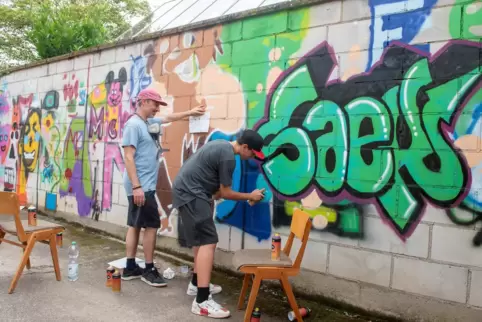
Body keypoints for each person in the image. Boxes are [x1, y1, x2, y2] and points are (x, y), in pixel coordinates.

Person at [172, 129, 266, 318]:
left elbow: (215, 190)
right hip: (191, 194)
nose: (252, 158)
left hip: (189, 192)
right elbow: (226, 193)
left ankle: (196, 285)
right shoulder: (228, 157)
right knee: (209, 241)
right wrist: (250, 196)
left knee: (202, 240)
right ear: (245, 147)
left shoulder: (222, 146)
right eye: (253, 153)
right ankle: (201, 301)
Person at [121, 88, 206, 287]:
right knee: (151, 226)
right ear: (143, 101)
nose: (157, 109)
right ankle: (148, 269)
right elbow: (128, 156)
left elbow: (169, 117)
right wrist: (137, 187)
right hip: (141, 185)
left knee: (134, 225)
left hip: (140, 185)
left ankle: (131, 266)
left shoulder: (146, 122)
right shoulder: (134, 125)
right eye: (154, 104)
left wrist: (191, 112)